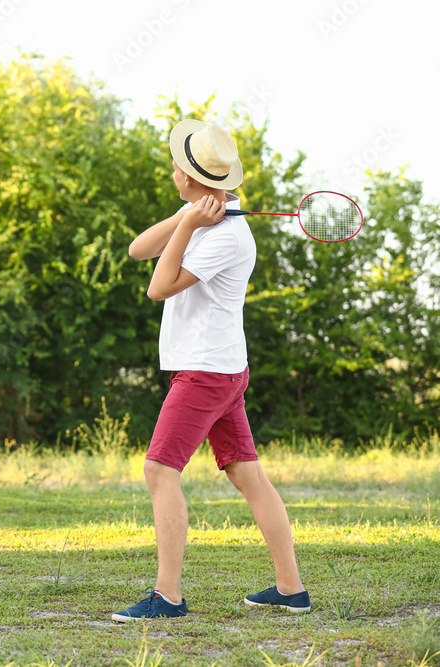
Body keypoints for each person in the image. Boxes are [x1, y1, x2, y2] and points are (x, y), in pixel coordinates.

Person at [112, 120, 309, 622]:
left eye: (178, 164)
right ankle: (291, 589)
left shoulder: (229, 238)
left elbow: (159, 286)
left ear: (191, 177)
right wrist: (188, 217)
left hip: (204, 372)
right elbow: (138, 250)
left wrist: (188, 225)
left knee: (159, 471)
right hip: (221, 369)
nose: (173, 168)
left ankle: (168, 597)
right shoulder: (198, 215)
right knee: (247, 474)